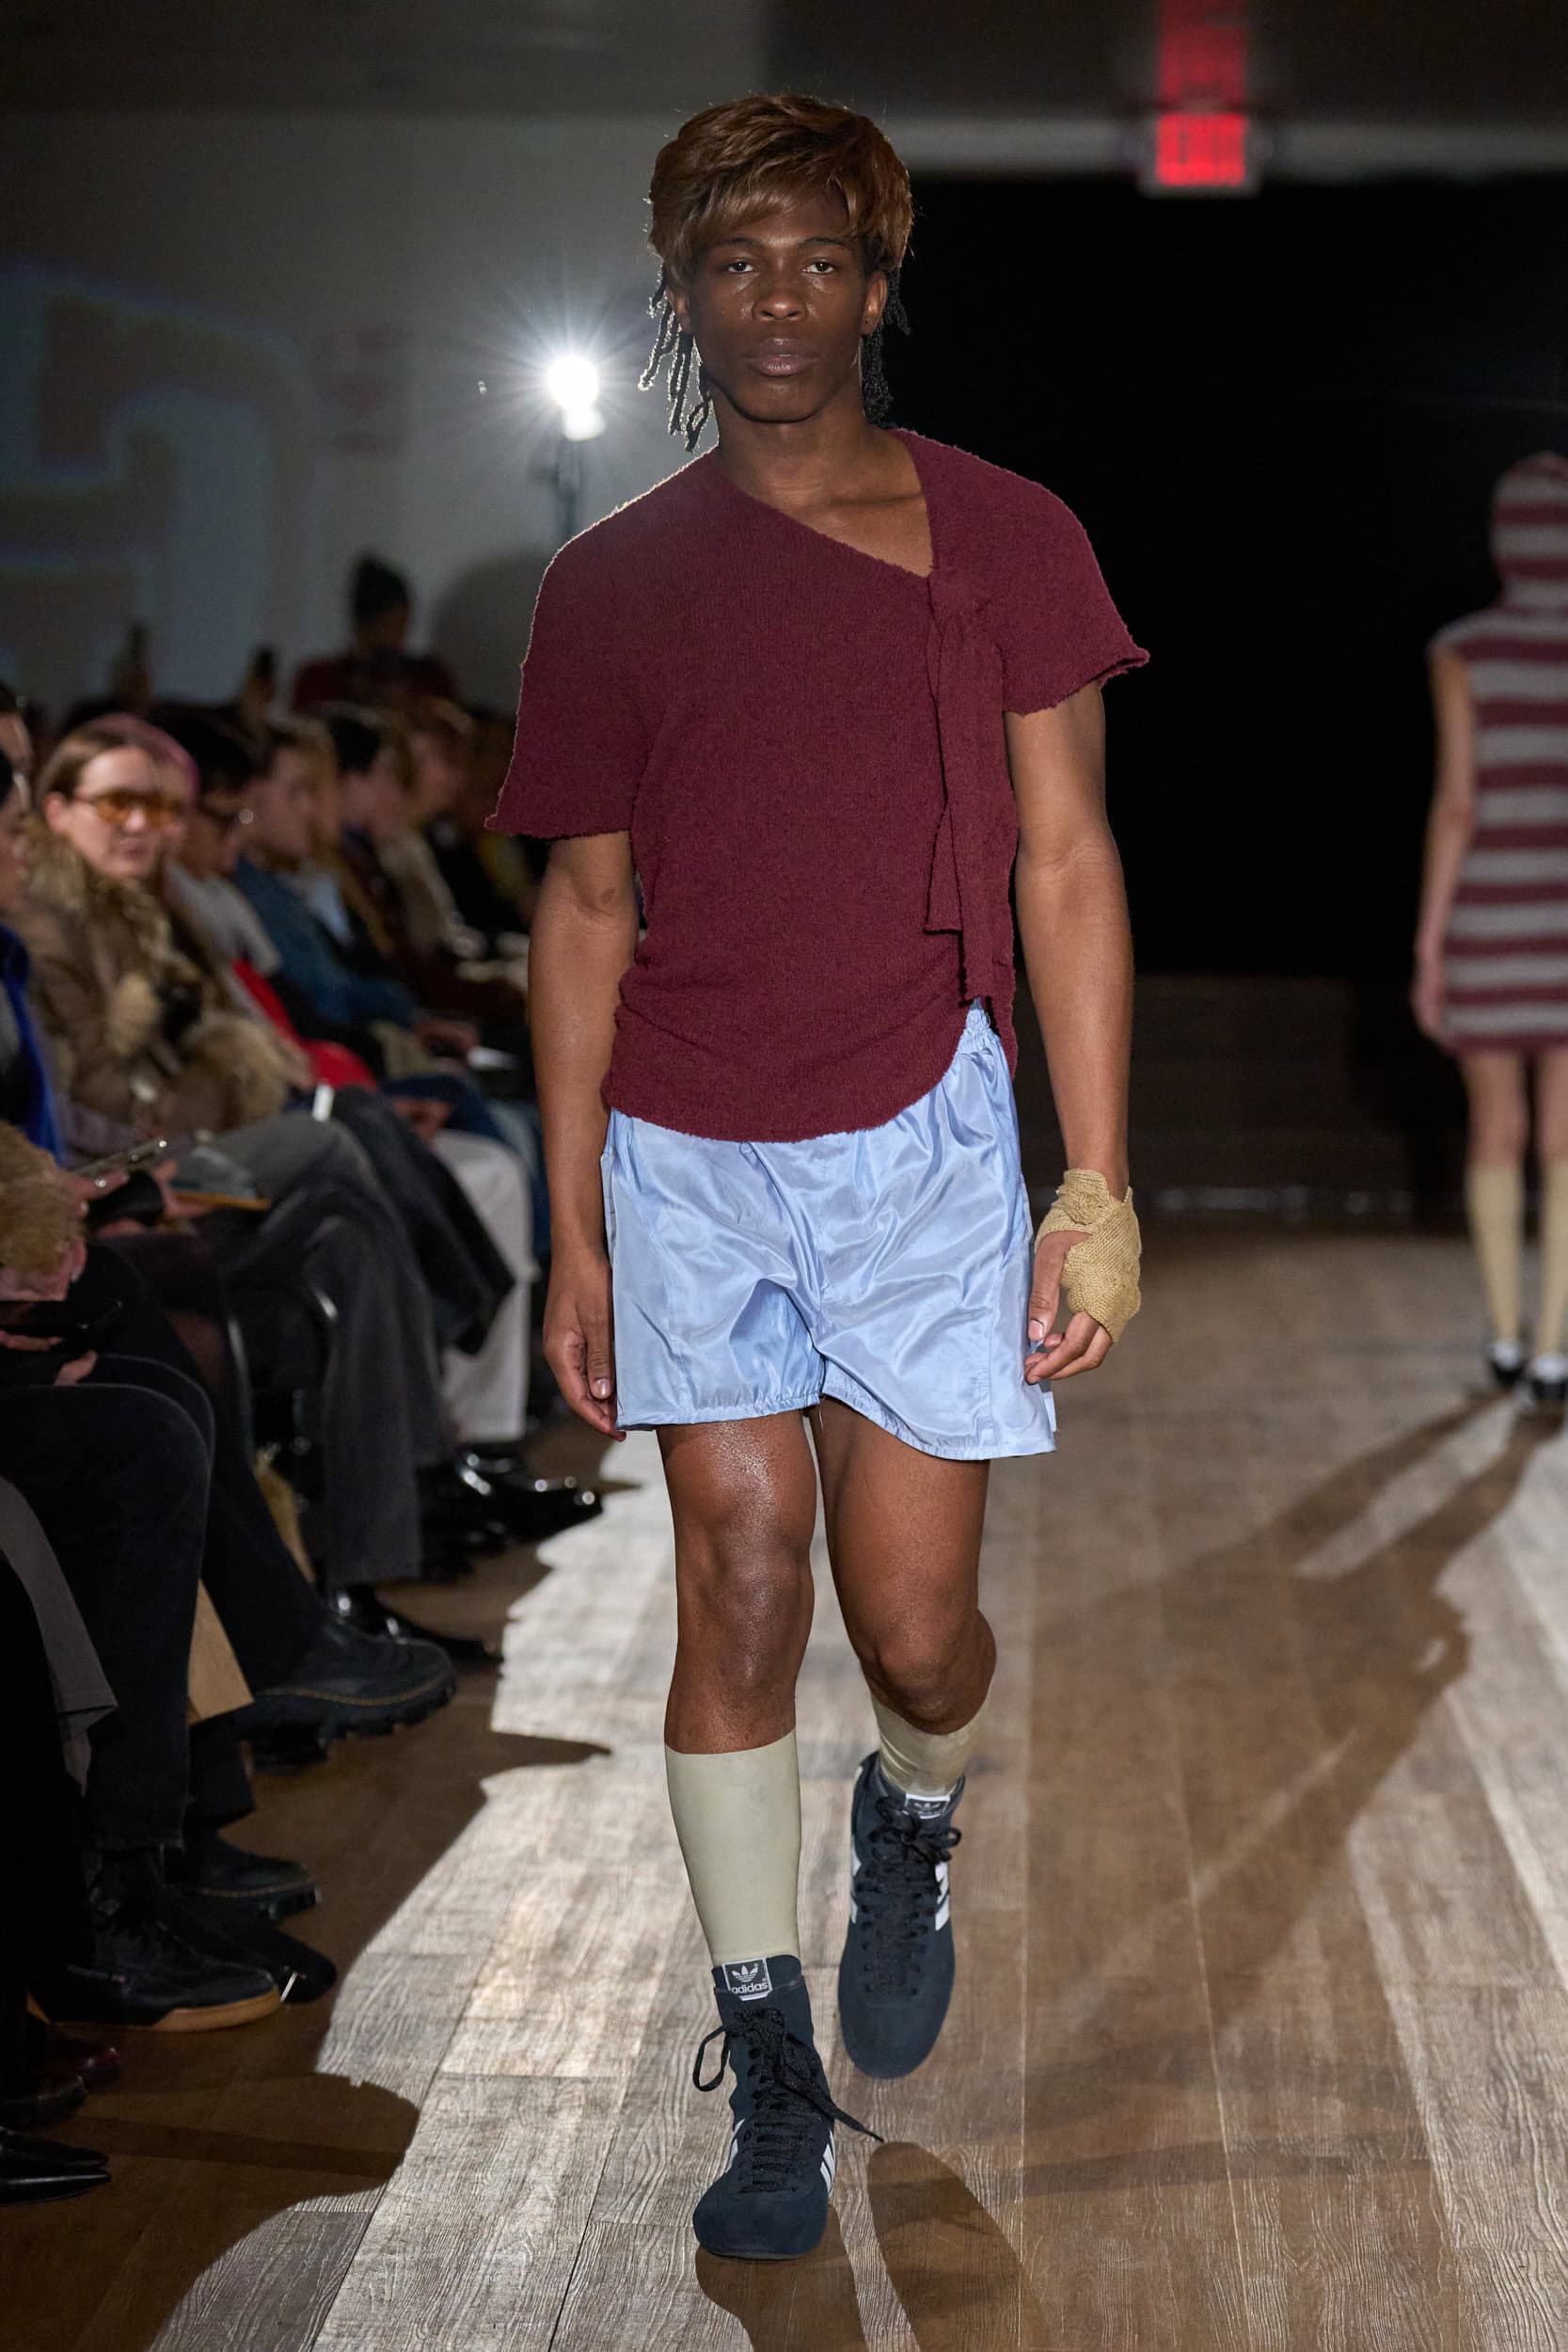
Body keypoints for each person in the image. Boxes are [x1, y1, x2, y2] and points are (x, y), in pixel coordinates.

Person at [493, 92, 1145, 2262]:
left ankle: (914, 1806)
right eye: (732, 260)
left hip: (922, 1123)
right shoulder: (610, 582)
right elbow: (582, 909)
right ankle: (769, 2064)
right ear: (682, 292)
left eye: (815, 259)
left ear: (877, 286)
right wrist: (571, 1227)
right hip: (686, 1135)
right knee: (741, 1569)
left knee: (918, 1629)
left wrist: (1094, 1178)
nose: (775, 298)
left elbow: (1066, 860)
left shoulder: (1004, 538)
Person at [1415, 451, 1568, 1407]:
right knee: (1564, 1140)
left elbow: (1457, 807)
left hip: (1487, 918)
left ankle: (1506, 1338)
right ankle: (1554, 1352)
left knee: (1495, 1131)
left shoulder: (1463, 649)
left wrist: (1428, 944)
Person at [291, 554, 455, 717]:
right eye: (388, 626)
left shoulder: (428, 679)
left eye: (402, 624)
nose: (399, 636)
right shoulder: (319, 680)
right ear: (363, 626)